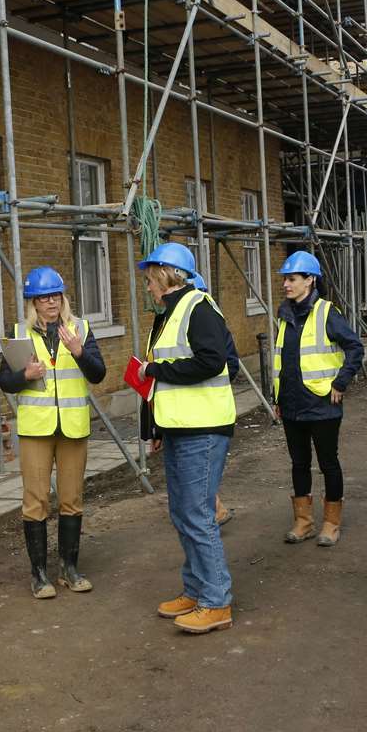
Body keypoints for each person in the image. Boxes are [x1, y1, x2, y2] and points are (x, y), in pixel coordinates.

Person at [138, 243, 237, 635]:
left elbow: (212, 361)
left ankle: (217, 601)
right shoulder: (168, 315)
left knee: (197, 514)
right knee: (182, 514)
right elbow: (160, 380)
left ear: (167, 274)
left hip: (204, 428)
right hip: (180, 427)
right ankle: (196, 590)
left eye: (150, 279)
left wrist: (155, 368)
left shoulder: (198, 306)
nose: (147, 287)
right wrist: (158, 428)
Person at [0, 266, 107, 599]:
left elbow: (98, 374)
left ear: (63, 298)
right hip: (36, 431)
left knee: (72, 499)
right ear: (33, 302)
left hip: (72, 427)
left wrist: (79, 352)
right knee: (36, 501)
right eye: (44, 298)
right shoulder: (19, 334)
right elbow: (4, 381)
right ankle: (39, 574)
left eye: (56, 296)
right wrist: (25, 375)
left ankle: (69, 570)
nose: (51, 303)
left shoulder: (81, 330)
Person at [273, 251, 365, 547]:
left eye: (292, 279)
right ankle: (303, 522)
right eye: (285, 279)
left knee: (328, 463)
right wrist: (277, 397)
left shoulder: (327, 313)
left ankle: (331, 523)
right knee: (298, 463)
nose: (286, 284)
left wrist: (340, 382)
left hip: (322, 405)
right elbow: (283, 361)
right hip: (291, 405)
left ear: (310, 280)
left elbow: (354, 348)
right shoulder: (285, 315)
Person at [188, 271, 242, 528]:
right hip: (183, 411)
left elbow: (230, 364)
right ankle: (212, 510)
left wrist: (204, 382)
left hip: (207, 411)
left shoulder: (211, 323)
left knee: (201, 471)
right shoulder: (174, 324)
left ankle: (213, 514)